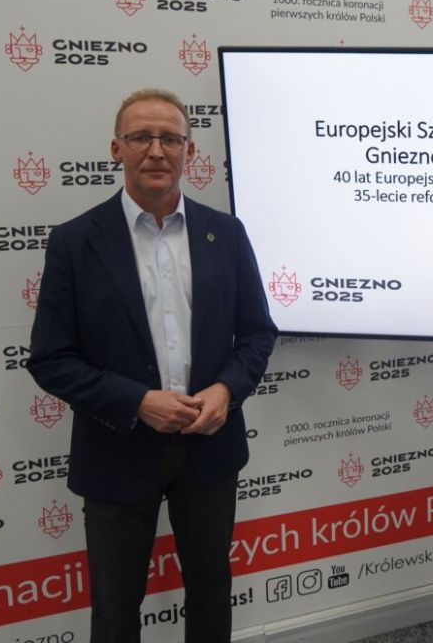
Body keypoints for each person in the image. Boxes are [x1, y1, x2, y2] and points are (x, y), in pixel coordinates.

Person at [28, 89, 277, 643]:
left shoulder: (226, 234)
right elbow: (51, 358)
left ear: (190, 151)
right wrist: (138, 401)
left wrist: (226, 390)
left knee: (211, 593)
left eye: (170, 138)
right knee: (115, 609)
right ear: (116, 148)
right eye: (141, 137)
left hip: (209, 445)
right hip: (116, 450)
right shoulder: (75, 242)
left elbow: (258, 333)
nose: (157, 150)